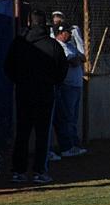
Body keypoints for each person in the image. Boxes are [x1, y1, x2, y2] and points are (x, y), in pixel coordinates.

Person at [4, 9, 68, 184]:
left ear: (29, 22)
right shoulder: (52, 45)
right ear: (45, 23)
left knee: (22, 132)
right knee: (42, 134)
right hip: (45, 93)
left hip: (24, 93)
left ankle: (19, 171)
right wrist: (52, 82)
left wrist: (20, 81)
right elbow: (62, 69)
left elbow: (8, 67)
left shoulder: (19, 43)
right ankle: (40, 171)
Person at [51, 22, 88, 160]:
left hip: (76, 86)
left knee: (73, 118)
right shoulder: (58, 46)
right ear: (60, 33)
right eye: (67, 32)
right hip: (66, 86)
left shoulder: (70, 45)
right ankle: (67, 146)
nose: (70, 34)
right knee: (67, 118)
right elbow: (73, 62)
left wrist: (76, 58)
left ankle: (73, 145)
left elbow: (82, 58)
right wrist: (76, 59)